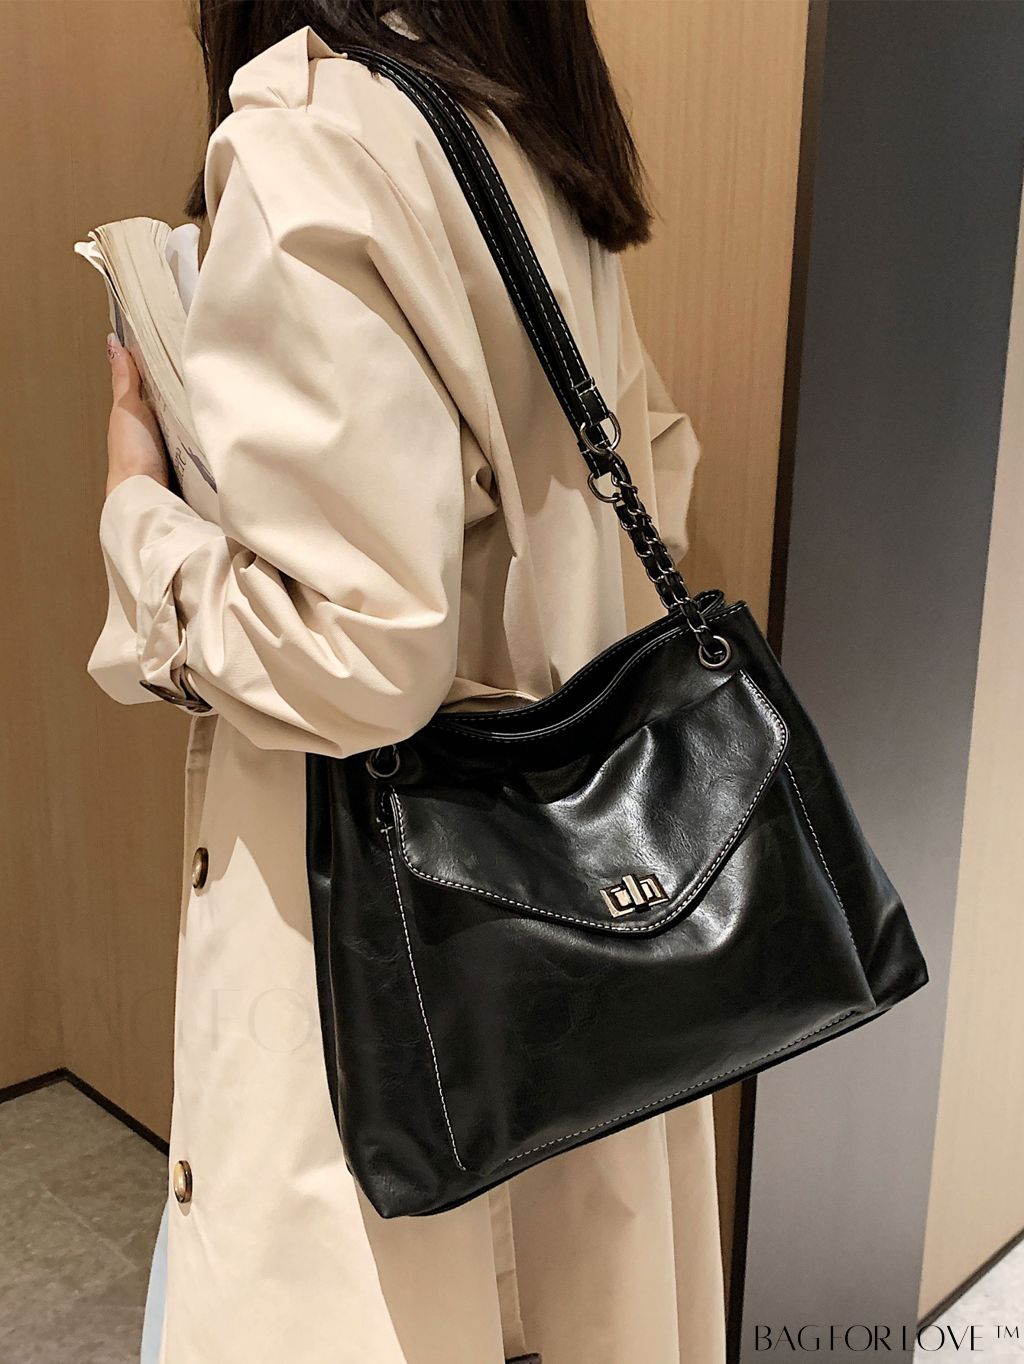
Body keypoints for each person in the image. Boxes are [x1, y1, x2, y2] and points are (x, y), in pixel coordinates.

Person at [92, 3, 726, 1362]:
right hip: (580, 902)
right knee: (562, 1285)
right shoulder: (523, 122)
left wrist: (138, 504)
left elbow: (362, 656)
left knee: (365, 1289)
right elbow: (653, 470)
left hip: (389, 928)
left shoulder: (314, 138)